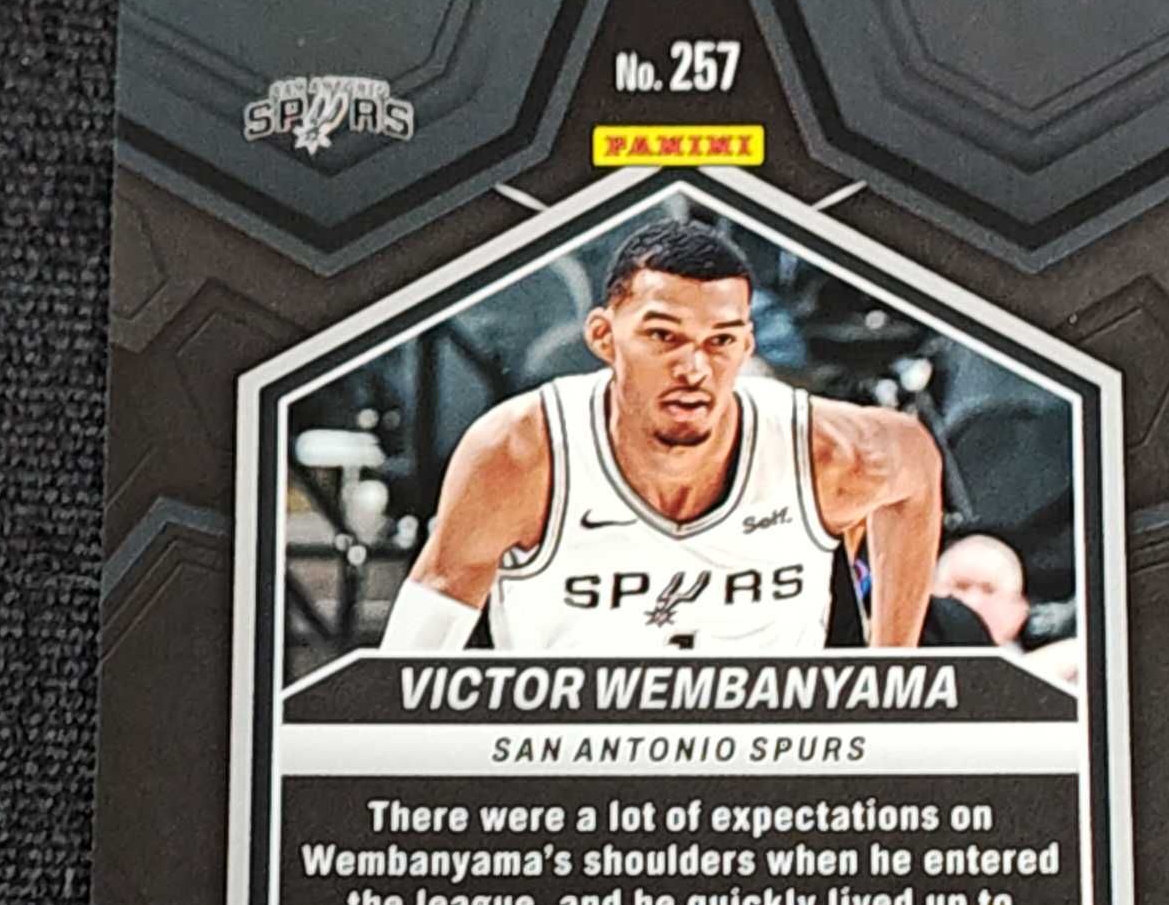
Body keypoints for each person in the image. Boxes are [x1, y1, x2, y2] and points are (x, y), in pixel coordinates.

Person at [380, 219, 940, 655]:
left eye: (720, 341)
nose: (693, 369)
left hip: (764, 762)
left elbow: (916, 463)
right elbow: (411, 664)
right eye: (664, 337)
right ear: (603, 336)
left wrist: (890, 672)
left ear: (747, 346)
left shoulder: (817, 452)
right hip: (570, 758)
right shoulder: (523, 451)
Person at [929, 531, 1081, 686]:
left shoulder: (1064, 672)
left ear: (1019, 609)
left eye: (988, 590)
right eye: (960, 587)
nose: (971, 602)